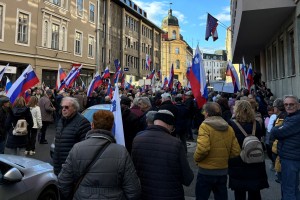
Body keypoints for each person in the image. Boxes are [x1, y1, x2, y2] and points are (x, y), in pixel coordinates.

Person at [58, 110, 141, 200]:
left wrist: (72, 196)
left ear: (92, 125)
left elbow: (63, 180)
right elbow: (133, 189)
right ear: (111, 126)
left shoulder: (77, 148)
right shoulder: (121, 151)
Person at [132, 109, 194, 200]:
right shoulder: (176, 143)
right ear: (169, 125)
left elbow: (134, 169)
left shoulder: (137, 139)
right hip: (171, 194)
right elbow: (187, 178)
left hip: (145, 194)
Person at [194, 102, 240, 200]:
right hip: (222, 170)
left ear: (207, 113)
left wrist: (196, 159)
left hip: (206, 171)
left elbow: (202, 149)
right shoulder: (229, 128)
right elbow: (236, 151)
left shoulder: (205, 126)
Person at [228, 100, 269, 200]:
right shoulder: (257, 124)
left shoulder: (231, 125)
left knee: (239, 192)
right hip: (255, 159)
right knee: (255, 192)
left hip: (238, 160)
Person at [271, 95, 300, 200]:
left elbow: (276, 131)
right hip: (291, 157)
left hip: (291, 159)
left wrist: (277, 128)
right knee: (293, 189)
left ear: (298, 105)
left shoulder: (296, 119)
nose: (288, 106)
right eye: (286, 104)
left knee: (289, 189)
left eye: (291, 104)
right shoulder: (290, 117)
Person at [53, 97, 91, 175]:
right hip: (58, 166)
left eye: (66, 107)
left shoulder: (82, 123)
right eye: (62, 107)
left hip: (72, 168)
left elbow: (84, 149)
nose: (63, 109)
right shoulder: (61, 120)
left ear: (74, 108)